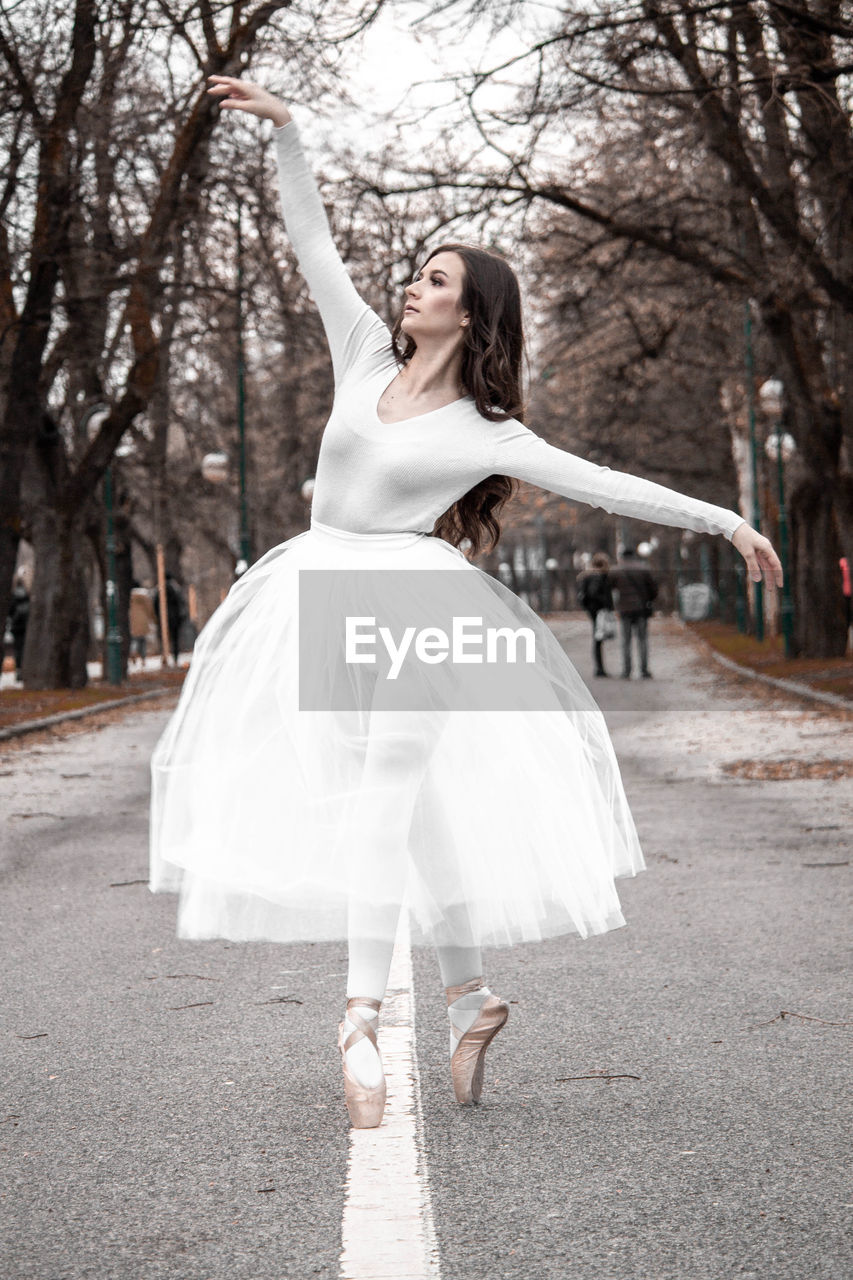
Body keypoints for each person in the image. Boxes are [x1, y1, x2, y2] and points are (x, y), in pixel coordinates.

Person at [149, 75, 783, 1131]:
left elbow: (606, 481)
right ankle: (470, 994)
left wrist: (724, 520)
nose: (412, 287)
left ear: (470, 309)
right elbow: (310, 242)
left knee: (386, 792)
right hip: (319, 587)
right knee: (418, 811)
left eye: (435, 279)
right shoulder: (361, 354)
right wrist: (290, 134)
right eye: (415, 273)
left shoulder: (490, 430)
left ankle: (358, 1017)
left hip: (415, 600)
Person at [609, 547, 659, 679]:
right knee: (642, 640)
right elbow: (653, 589)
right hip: (641, 609)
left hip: (624, 609)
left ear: (622, 557)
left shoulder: (616, 570)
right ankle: (644, 670)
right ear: (634, 556)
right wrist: (647, 600)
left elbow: (610, 588)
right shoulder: (643, 568)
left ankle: (627, 671)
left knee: (626, 641)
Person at [576, 552, 615, 677]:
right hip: (599, 610)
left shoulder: (587, 576)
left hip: (592, 610)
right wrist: (606, 605)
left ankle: (599, 667)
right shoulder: (598, 577)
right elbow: (595, 593)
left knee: (598, 638)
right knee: (598, 639)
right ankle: (599, 668)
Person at [6, 574, 30, 682]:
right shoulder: (27, 595)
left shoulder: (13, 596)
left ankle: (19, 670)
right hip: (26, 627)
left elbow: (10, 612)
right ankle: (26, 670)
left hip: (17, 628)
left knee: (18, 650)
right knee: (25, 649)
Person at [129, 581, 156, 668]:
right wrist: (153, 619)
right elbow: (150, 609)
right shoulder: (145, 597)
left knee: (134, 639)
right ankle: (143, 658)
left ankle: (133, 651)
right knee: (143, 641)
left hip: (132, 619)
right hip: (143, 620)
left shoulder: (129, 597)